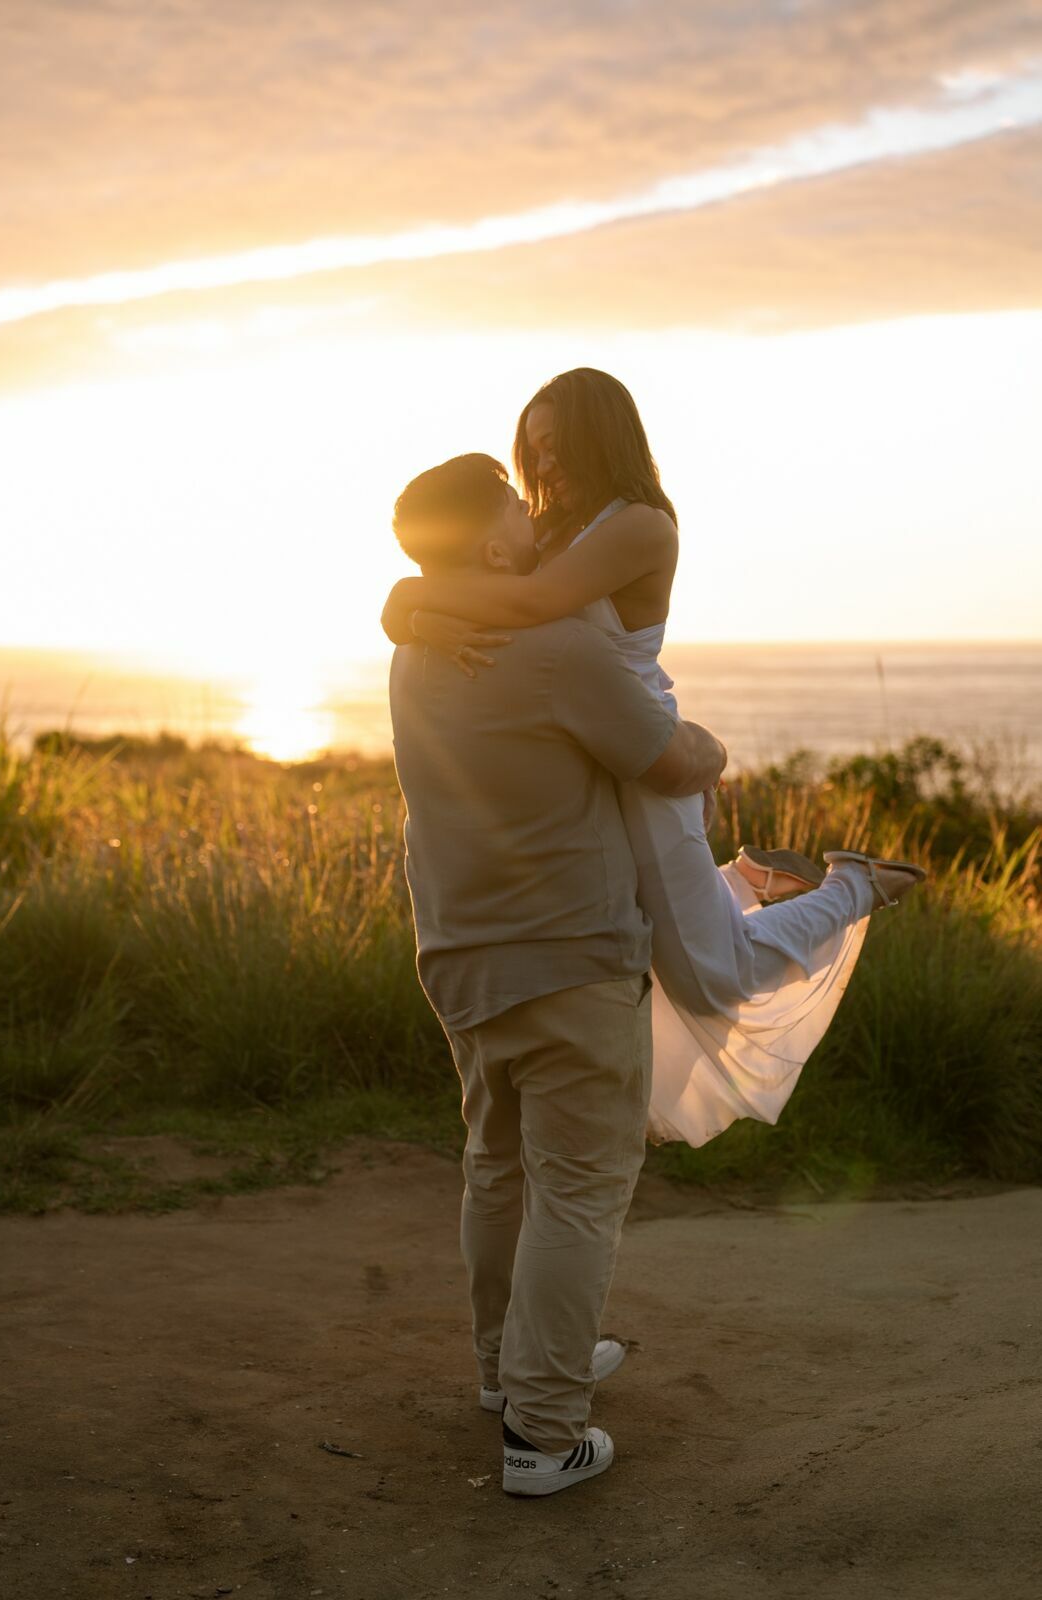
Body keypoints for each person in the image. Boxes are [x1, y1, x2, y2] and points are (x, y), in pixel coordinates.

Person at [382, 369, 925, 1145]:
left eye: (557, 444)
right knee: (655, 943)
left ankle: (854, 883)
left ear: (602, 434)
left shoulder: (640, 526)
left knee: (711, 979)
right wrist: (406, 604)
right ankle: (744, 881)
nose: (545, 465)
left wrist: (410, 597)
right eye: (533, 450)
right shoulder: (551, 528)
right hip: (589, 757)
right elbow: (483, 573)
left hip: (645, 760)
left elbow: (528, 605)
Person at [387, 453, 726, 1496]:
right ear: (493, 547)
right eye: (518, 512)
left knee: (497, 1166)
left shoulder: (416, 650)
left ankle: (509, 1372)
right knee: (579, 1188)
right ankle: (543, 1429)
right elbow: (668, 760)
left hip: (457, 949)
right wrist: (711, 744)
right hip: (569, 955)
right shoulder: (555, 643)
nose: (539, 522)